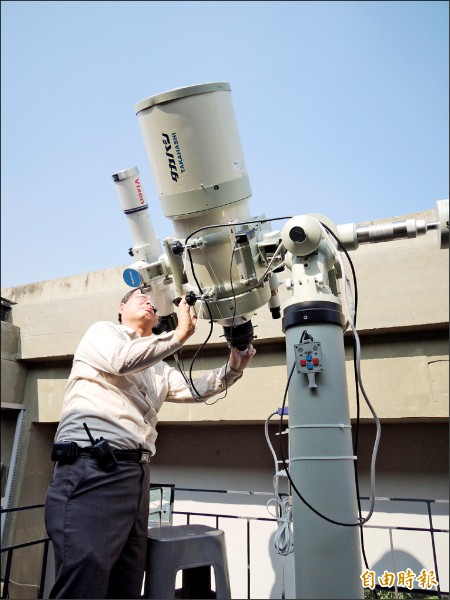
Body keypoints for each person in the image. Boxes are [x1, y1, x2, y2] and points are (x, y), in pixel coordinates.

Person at [44, 287, 256, 599]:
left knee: (127, 580)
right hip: (93, 469)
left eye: (152, 300)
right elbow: (121, 360)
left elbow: (192, 388)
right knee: (86, 575)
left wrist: (233, 368)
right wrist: (180, 333)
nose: (148, 300)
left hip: (135, 474)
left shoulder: (158, 364)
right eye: (139, 296)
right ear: (121, 307)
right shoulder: (103, 333)